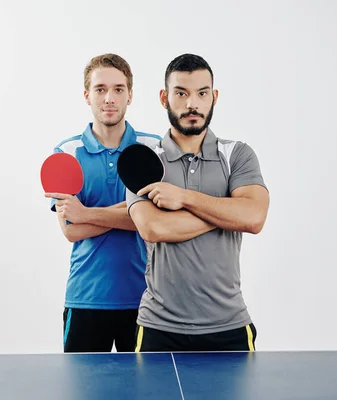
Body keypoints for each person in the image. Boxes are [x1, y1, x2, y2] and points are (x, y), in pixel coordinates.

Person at [126, 53, 270, 352]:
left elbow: (254, 217)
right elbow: (154, 228)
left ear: (213, 97)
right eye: (181, 93)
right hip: (158, 327)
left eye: (202, 93)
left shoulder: (237, 155)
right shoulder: (143, 158)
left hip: (229, 324)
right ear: (164, 97)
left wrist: (184, 198)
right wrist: (227, 211)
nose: (192, 103)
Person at [44, 53, 161, 353]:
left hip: (145, 300)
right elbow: (71, 230)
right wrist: (129, 213)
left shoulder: (153, 149)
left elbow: (152, 223)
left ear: (130, 95)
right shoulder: (66, 153)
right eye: (100, 89)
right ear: (87, 95)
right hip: (85, 299)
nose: (109, 98)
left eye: (118, 89)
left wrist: (85, 213)